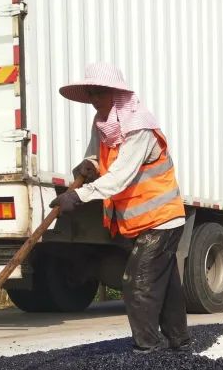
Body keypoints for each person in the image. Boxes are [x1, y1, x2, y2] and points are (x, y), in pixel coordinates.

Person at [51, 62, 191, 353]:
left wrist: (76, 196)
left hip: (162, 219)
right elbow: (98, 156)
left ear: (117, 94)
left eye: (100, 93)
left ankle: (149, 348)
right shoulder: (103, 124)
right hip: (141, 221)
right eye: (91, 93)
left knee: (137, 283)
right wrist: (89, 164)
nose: (95, 100)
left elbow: (119, 177)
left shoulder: (139, 127)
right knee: (166, 285)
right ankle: (180, 342)